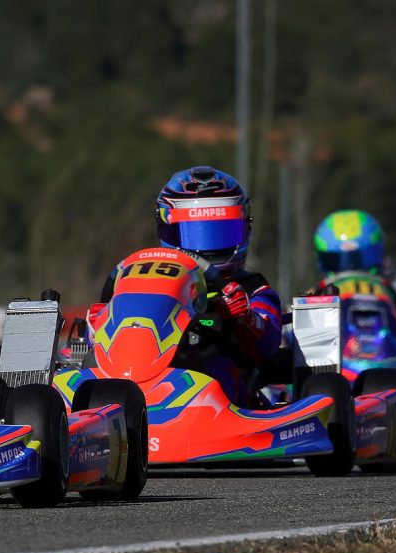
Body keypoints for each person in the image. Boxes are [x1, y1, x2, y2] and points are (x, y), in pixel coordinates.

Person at [99, 166, 282, 406]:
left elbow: (269, 343)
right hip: (148, 375)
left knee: (218, 369)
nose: (207, 248)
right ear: (167, 231)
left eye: (220, 233)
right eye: (193, 235)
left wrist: (244, 317)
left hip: (221, 389)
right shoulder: (154, 283)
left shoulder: (251, 287)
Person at [312, 209, 396, 351]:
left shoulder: (390, 293)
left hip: (391, 356)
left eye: (360, 258)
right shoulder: (315, 295)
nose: (351, 268)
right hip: (333, 358)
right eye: (338, 260)